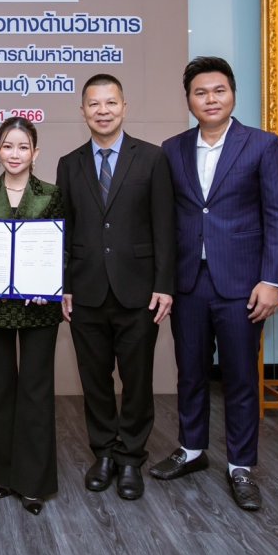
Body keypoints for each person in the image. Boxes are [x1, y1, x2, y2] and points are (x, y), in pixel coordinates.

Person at [152, 56, 278, 512]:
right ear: (188, 99)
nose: (210, 99)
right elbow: (166, 218)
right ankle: (191, 450)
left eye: (218, 91)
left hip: (242, 285)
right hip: (190, 281)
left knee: (239, 377)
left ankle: (241, 466)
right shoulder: (171, 149)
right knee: (190, 371)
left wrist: (272, 279)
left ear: (233, 94)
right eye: (200, 92)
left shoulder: (261, 145)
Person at [55, 73, 175, 502]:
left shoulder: (153, 159)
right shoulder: (69, 164)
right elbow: (65, 231)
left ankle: (130, 458)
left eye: (110, 103)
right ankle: (103, 452)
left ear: (124, 107)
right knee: (95, 380)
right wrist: (64, 285)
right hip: (86, 291)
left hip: (139, 291)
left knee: (138, 380)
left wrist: (165, 284)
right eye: (94, 104)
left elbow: (165, 226)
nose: (102, 111)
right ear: (82, 110)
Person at [0, 116, 63, 516]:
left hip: (39, 309)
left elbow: (62, 245)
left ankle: (34, 483)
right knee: (1, 391)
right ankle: (4, 475)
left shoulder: (53, 193)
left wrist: (49, 284)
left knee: (36, 393)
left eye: (23, 147)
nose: (15, 154)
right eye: (8, 146)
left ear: (36, 153)